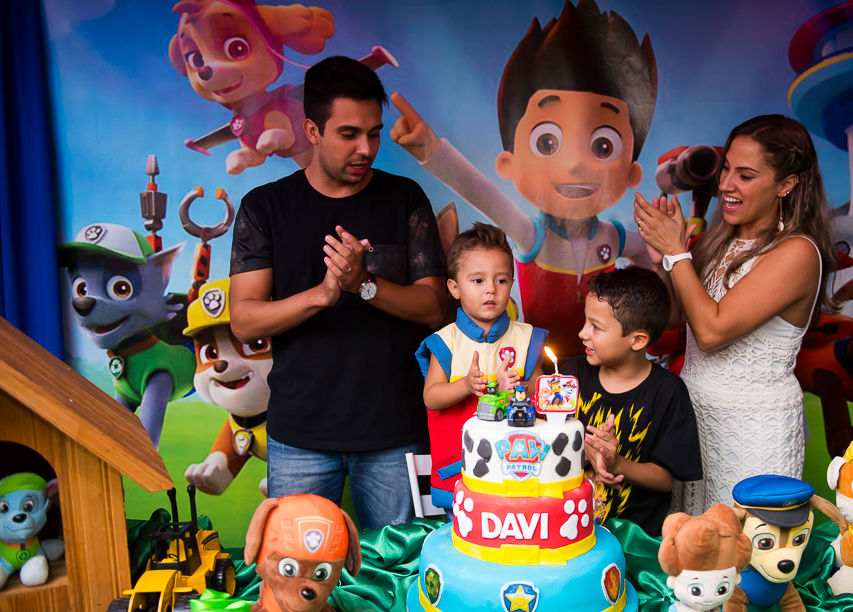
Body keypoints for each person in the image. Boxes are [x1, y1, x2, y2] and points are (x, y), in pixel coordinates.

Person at [229, 56, 448, 530]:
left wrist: (363, 285)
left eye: (374, 133)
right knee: (296, 563)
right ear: (311, 131)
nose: (366, 148)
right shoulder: (264, 208)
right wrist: (322, 295)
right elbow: (243, 321)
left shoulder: (405, 199)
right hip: (299, 436)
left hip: (395, 432)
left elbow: (434, 308)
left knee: (397, 565)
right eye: (349, 134)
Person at [389, 0, 656, 354]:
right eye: (548, 142)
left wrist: (639, 307)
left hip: (600, 365)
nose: (575, 164)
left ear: (632, 172)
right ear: (509, 163)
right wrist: (431, 150)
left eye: (602, 146)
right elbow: (484, 196)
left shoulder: (613, 237)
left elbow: (648, 255)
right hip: (539, 364)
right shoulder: (534, 236)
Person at [634, 114, 837, 514]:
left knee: (744, 549)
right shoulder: (718, 240)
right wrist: (663, 261)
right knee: (693, 546)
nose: (725, 183)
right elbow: (675, 317)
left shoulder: (797, 252)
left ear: (786, 184)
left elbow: (711, 331)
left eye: (745, 175)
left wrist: (677, 252)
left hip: (752, 434)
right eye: (725, 168)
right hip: (693, 420)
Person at [562, 266, 702, 537]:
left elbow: (666, 480)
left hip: (633, 542)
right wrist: (585, 451)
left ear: (637, 340)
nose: (582, 333)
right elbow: (543, 437)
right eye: (585, 321)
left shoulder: (667, 392)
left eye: (596, 327)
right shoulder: (571, 375)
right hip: (568, 532)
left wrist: (616, 463)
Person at [416, 222, 547, 509]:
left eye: (501, 280)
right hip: (461, 472)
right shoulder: (445, 342)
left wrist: (518, 388)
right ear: (454, 288)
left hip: (518, 469)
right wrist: (466, 385)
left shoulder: (526, 339)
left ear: (512, 283)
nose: (491, 289)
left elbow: (539, 389)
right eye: (478, 280)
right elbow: (431, 397)